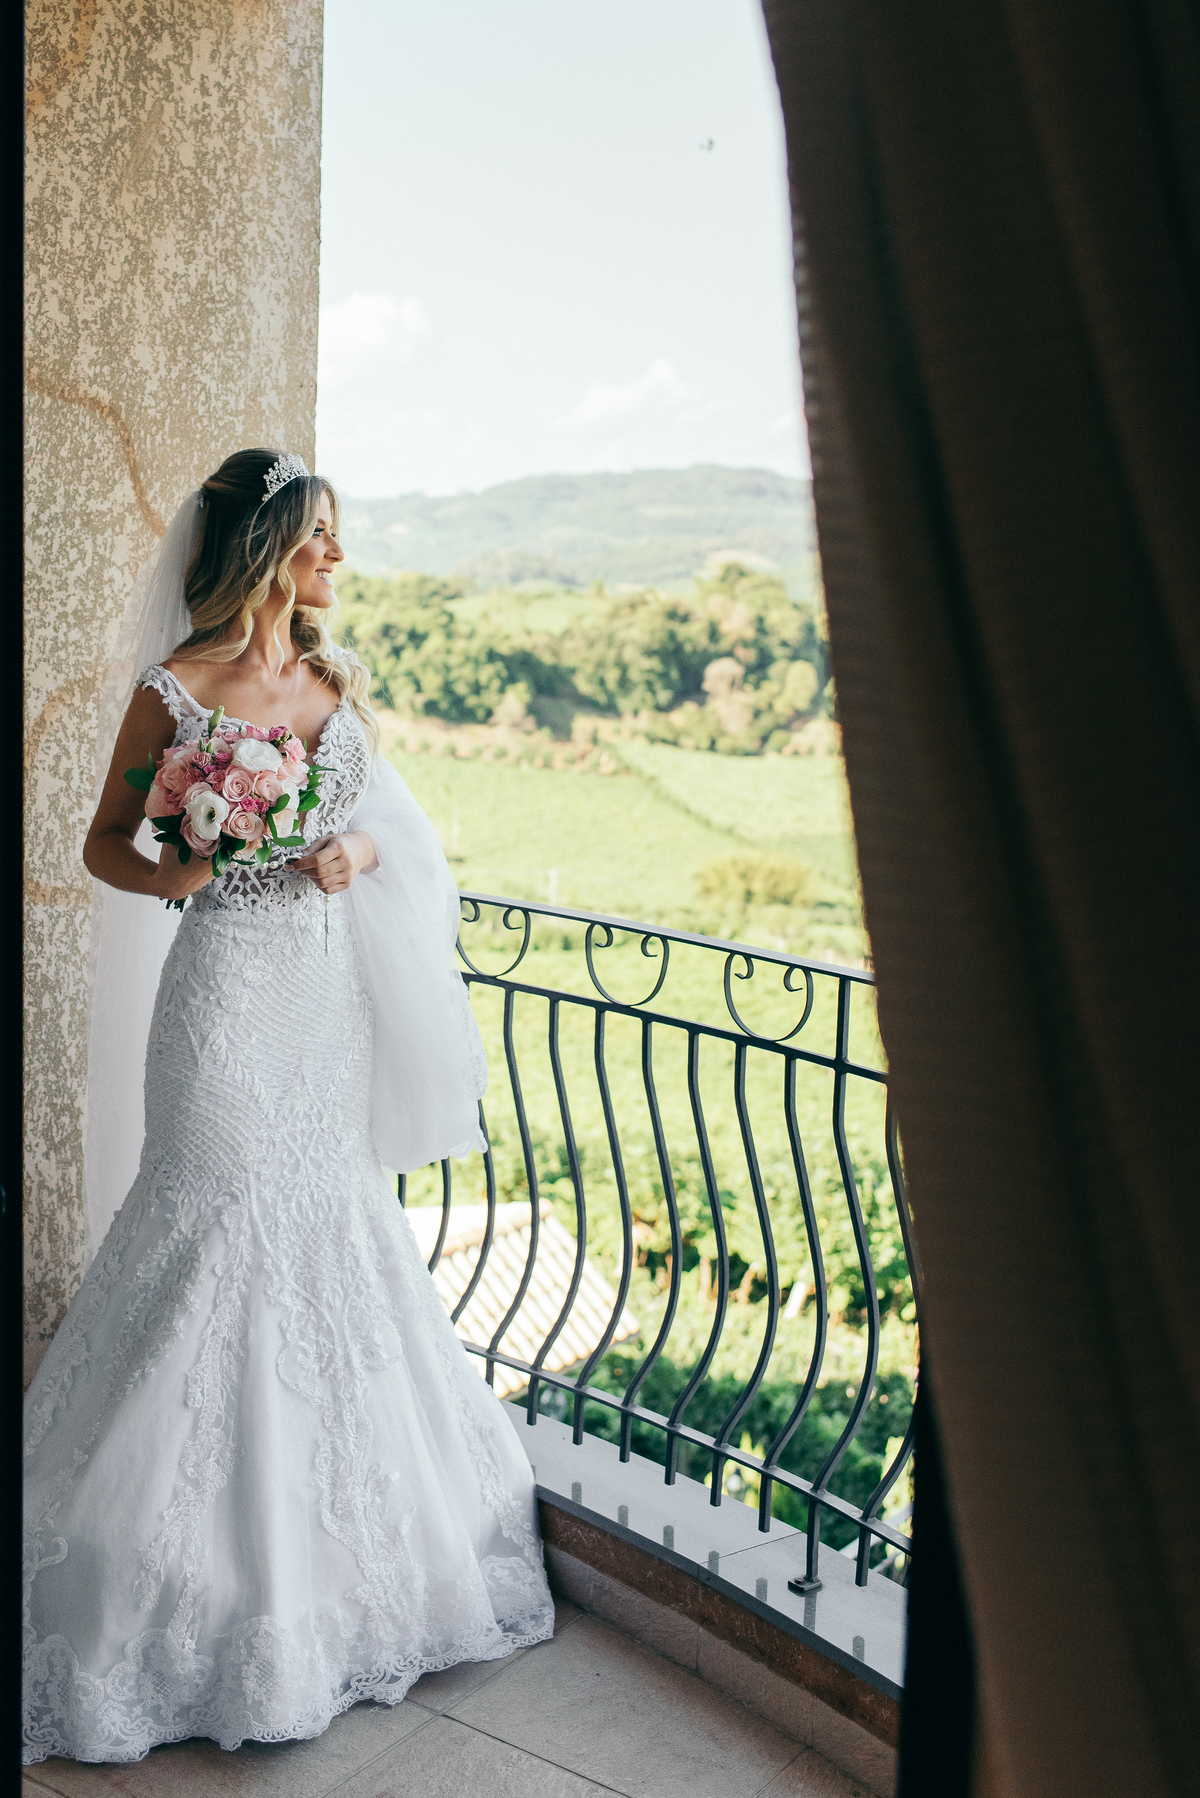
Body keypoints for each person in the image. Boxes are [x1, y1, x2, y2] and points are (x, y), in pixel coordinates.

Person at [23, 449, 554, 1767]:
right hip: (221, 994)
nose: (337, 558)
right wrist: (188, 859)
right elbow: (105, 843)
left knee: (327, 1227)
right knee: (207, 1223)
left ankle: (333, 1578)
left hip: (321, 998)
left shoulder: (332, 681)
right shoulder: (178, 689)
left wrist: (345, 852)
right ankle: (166, 1581)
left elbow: (394, 836)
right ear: (268, 548)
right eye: (322, 537)